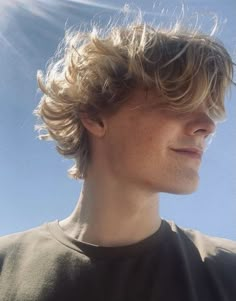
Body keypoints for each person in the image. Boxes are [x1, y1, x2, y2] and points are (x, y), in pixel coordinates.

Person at [0, 12, 236, 301]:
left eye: (208, 107)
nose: (208, 126)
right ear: (96, 115)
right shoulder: (5, 265)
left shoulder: (228, 269)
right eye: (178, 100)